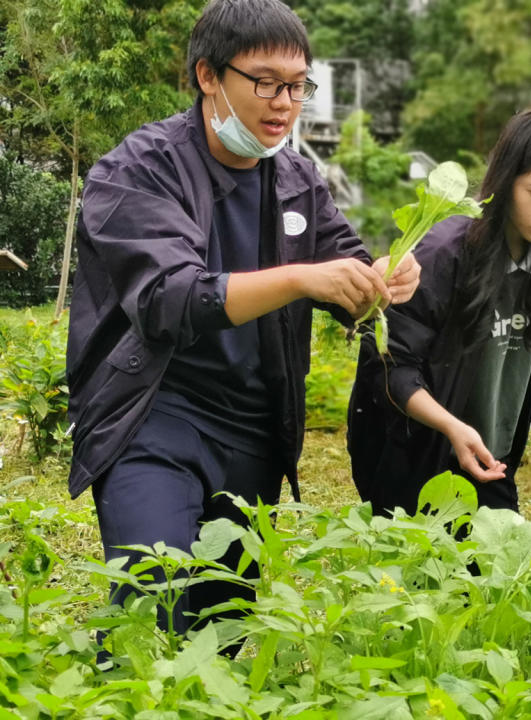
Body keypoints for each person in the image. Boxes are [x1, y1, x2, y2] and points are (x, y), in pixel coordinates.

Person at [65, 0, 419, 650]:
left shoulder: (295, 178)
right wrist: (299, 278)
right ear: (208, 75)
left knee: (220, 635)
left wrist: (381, 280)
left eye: (296, 85)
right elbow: (170, 299)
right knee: (150, 607)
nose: (284, 103)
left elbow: (346, 269)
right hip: (153, 414)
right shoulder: (139, 171)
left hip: (253, 430)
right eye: (264, 81)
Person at [348, 107, 531, 517]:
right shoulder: (445, 254)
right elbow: (390, 367)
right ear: (505, 182)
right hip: (415, 459)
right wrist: (451, 426)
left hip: (489, 463)